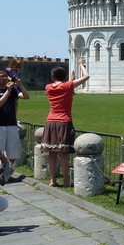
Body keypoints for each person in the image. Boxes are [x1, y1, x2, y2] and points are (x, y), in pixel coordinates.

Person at [41, 58, 90, 187]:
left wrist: (69, 81)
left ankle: (53, 180)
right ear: (65, 76)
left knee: (51, 153)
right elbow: (86, 76)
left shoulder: (48, 87)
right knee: (63, 154)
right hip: (64, 121)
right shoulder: (67, 86)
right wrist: (80, 64)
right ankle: (66, 181)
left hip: (50, 121)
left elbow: (61, 88)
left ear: (52, 76)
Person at [0, 67, 30, 182]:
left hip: (11, 124)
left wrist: (19, 84)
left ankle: (5, 170)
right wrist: (7, 91)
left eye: (4, 76)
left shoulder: (13, 90)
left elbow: (26, 97)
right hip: (0, 124)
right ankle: (3, 169)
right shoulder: (9, 90)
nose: (3, 78)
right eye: (1, 76)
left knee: (13, 153)